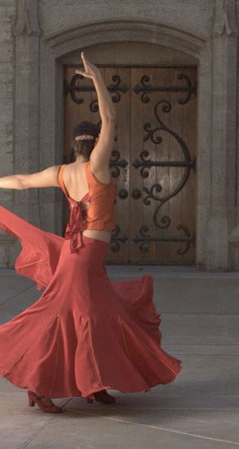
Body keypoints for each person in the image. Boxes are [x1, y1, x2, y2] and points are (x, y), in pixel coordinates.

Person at [0, 52, 181, 413]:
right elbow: (111, 116)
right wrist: (97, 78)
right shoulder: (97, 166)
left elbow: (20, 182)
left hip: (84, 258)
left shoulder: (62, 171)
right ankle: (39, 385)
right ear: (95, 142)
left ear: (73, 144)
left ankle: (93, 383)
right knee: (65, 319)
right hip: (82, 259)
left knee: (101, 317)